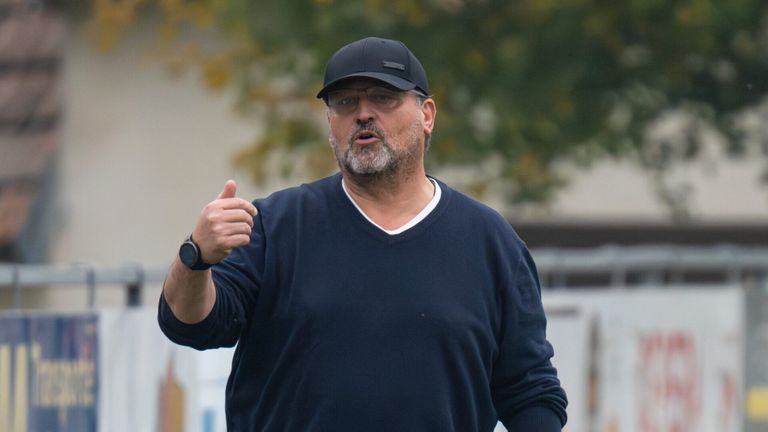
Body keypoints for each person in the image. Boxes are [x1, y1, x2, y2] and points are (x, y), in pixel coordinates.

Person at [158, 36, 568, 431]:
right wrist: (196, 257)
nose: (363, 113)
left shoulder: (489, 242)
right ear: (330, 121)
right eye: (345, 101)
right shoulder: (276, 225)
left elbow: (529, 389)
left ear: (427, 115)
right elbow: (191, 324)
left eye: (383, 97)